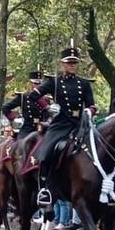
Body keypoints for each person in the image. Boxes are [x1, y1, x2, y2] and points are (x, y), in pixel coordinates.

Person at [28, 42, 93, 206]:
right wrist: (48, 107)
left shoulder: (84, 84)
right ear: (62, 64)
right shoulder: (54, 82)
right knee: (46, 153)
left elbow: (92, 105)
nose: (72, 65)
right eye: (69, 62)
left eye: (74, 62)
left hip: (80, 124)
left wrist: (90, 112)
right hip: (61, 123)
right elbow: (33, 96)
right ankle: (44, 189)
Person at [0, 69, 49, 136]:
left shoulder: (45, 99)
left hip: (43, 129)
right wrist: (15, 119)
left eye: (39, 84)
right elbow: (5, 107)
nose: (38, 86)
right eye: (35, 83)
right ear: (30, 83)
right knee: (22, 144)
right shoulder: (23, 97)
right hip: (27, 129)